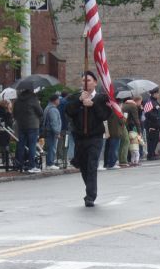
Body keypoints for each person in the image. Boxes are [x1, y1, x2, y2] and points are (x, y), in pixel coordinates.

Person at [65, 71, 112, 207]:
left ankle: (90, 195)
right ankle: (90, 188)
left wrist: (93, 105)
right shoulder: (75, 97)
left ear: (95, 82)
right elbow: (68, 111)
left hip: (95, 137)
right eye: (83, 80)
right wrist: (79, 101)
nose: (86, 83)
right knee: (84, 166)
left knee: (92, 165)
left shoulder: (102, 98)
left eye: (89, 80)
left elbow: (105, 115)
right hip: (79, 137)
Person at [13, 88, 43, 173]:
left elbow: (14, 114)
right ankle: (31, 166)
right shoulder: (33, 98)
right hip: (33, 125)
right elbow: (40, 112)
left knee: (21, 145)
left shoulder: (17, 100)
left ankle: (19, 165)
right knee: (32, 146)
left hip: (21, 125)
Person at [0, 99, 14, 170]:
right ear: (6, 104)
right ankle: (6, 161)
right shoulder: (3, 112)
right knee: (5, 147)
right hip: (3, 132)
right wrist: (9, 112)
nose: (11, 105)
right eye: (9, 103)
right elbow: (9, 122)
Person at [143, 87, 160, 160]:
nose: (158, 95)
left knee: (155, 140)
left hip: (156, 125)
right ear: (154, 94)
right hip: (152, 125)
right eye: (157, 93)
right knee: (151, 141)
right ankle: (150, 155)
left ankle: (152, 153)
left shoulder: (155, 102)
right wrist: (156, 118)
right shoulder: (150, 102)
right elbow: (147, 113)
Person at [42, 94, 62, 170]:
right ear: (55, 100)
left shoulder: (48, 108)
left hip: (48, 131)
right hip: (51, 132)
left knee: (49, 147)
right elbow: (54, 122)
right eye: (58, 99)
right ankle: (50, 163)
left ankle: (49, 162)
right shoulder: (53, 109)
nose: (59, 101)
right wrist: (57, 132)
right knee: (52, 147)